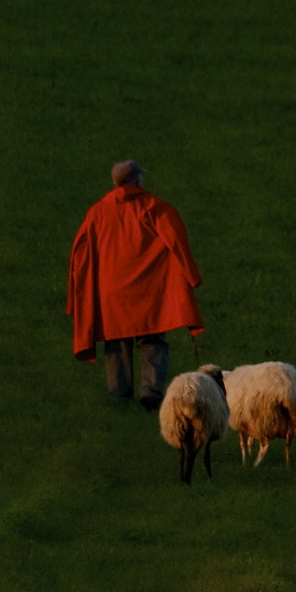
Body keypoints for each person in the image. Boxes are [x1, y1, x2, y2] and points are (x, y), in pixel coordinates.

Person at [68, 159, 204, 409]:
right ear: (136, 180)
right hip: (147, 289)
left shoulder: (96, 212)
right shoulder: (154, 207)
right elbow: (176, 241)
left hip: (111, 291)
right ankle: (150, 391)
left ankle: (118, 394)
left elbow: (81, 252)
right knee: (152, 341)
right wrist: (191, 275)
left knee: (115, 342)